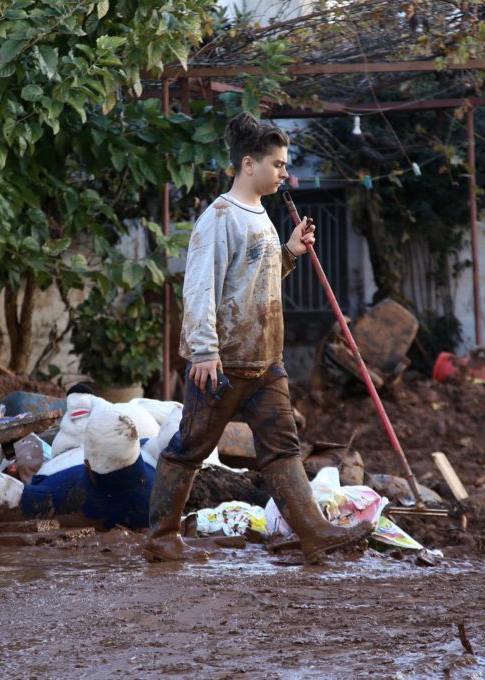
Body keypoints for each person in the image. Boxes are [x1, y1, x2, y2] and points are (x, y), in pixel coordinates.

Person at [143, 112, 374, 563]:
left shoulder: (262, 217)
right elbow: (200, 287)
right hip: (223, 365)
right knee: (188, 451)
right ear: (248, 164)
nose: (285, 173)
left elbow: (256, 283)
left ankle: (313, 534)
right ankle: (161, 539)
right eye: (278, 164)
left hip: (266, 362)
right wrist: (205, 352)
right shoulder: (220, 217)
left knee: (283, 449)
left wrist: (289, 251)